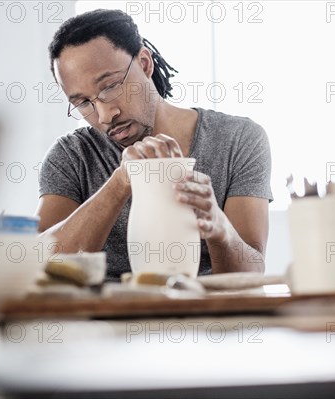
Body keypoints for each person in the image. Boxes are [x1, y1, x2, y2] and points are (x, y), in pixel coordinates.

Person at [37, 9, 272, 281]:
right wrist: (120, 183)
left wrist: (220, 229)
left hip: (205, 317)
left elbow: (251, 275)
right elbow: (40, 266)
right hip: (103, 319)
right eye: (82, 103)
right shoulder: (71, 156)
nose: (104, 116)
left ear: (145, 64)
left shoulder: (238, 139)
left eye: (110, 86)